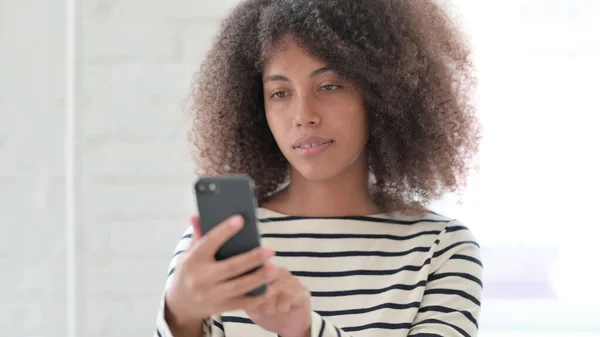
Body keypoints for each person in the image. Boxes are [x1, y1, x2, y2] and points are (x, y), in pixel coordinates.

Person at [154, 0, 483, 336]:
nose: (303, 115)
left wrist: (305, 330)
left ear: (382, 93)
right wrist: (179, 316)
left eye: (329, 86)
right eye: (280, 93)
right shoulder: (215, 251)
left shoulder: (441, 249)